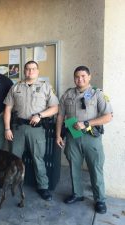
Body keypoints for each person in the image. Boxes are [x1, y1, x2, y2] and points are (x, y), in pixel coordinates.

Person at [56, 66, 113, 214]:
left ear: (89, 77)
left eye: (83, 76)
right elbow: (60, 116)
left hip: (91, 137)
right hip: (72, 136)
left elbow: (108, 116)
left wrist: (87, 123)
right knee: (74, 166)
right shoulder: (68, 94)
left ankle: (100, 199)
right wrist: (58, 135)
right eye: (76, 76)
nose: (79, 79)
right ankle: (77, 194)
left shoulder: (97, 94)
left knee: (95, 168)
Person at [3, 60, 59, 201]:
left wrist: (40, 115)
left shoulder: (46, 87)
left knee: (38, 158)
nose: (30, 71)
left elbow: (55, 108)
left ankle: (43, 187)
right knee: (14, 158)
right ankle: (12, 183)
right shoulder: (16, 87)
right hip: (19, 128)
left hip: (36, 129)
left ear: (38, 71)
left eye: (33, 69)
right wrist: (7, 128)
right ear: (24, 71)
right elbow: (8, 109)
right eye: (28, 69)